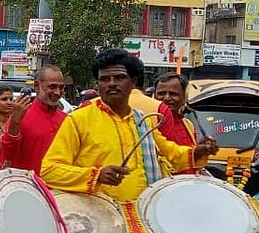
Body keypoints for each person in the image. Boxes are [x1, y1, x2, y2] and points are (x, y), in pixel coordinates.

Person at [41, 50, 216, 201]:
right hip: (101, 220)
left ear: (133, 82)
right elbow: (49, 170)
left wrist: (198, 151)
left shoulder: (141, 120)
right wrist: (96, 175)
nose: (111, 83)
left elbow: (170, 153)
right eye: (104, 79)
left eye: (119, 77)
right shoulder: (78, 120)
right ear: (98, 85)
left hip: (141, 218)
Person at [1, 65, 67, 174]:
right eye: (52, 87)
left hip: (59, 186)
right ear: (37, 86)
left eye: (61, 87)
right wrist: (15, 122)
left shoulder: (65, 119)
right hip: (28, 187)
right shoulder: (21, 115)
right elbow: (9, 155)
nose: (57, 92)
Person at [153, 73, 201, 175]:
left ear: (185, 97)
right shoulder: (150, 123)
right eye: (161, 93)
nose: (166, 98)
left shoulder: (188, 125)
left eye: (173, 94)